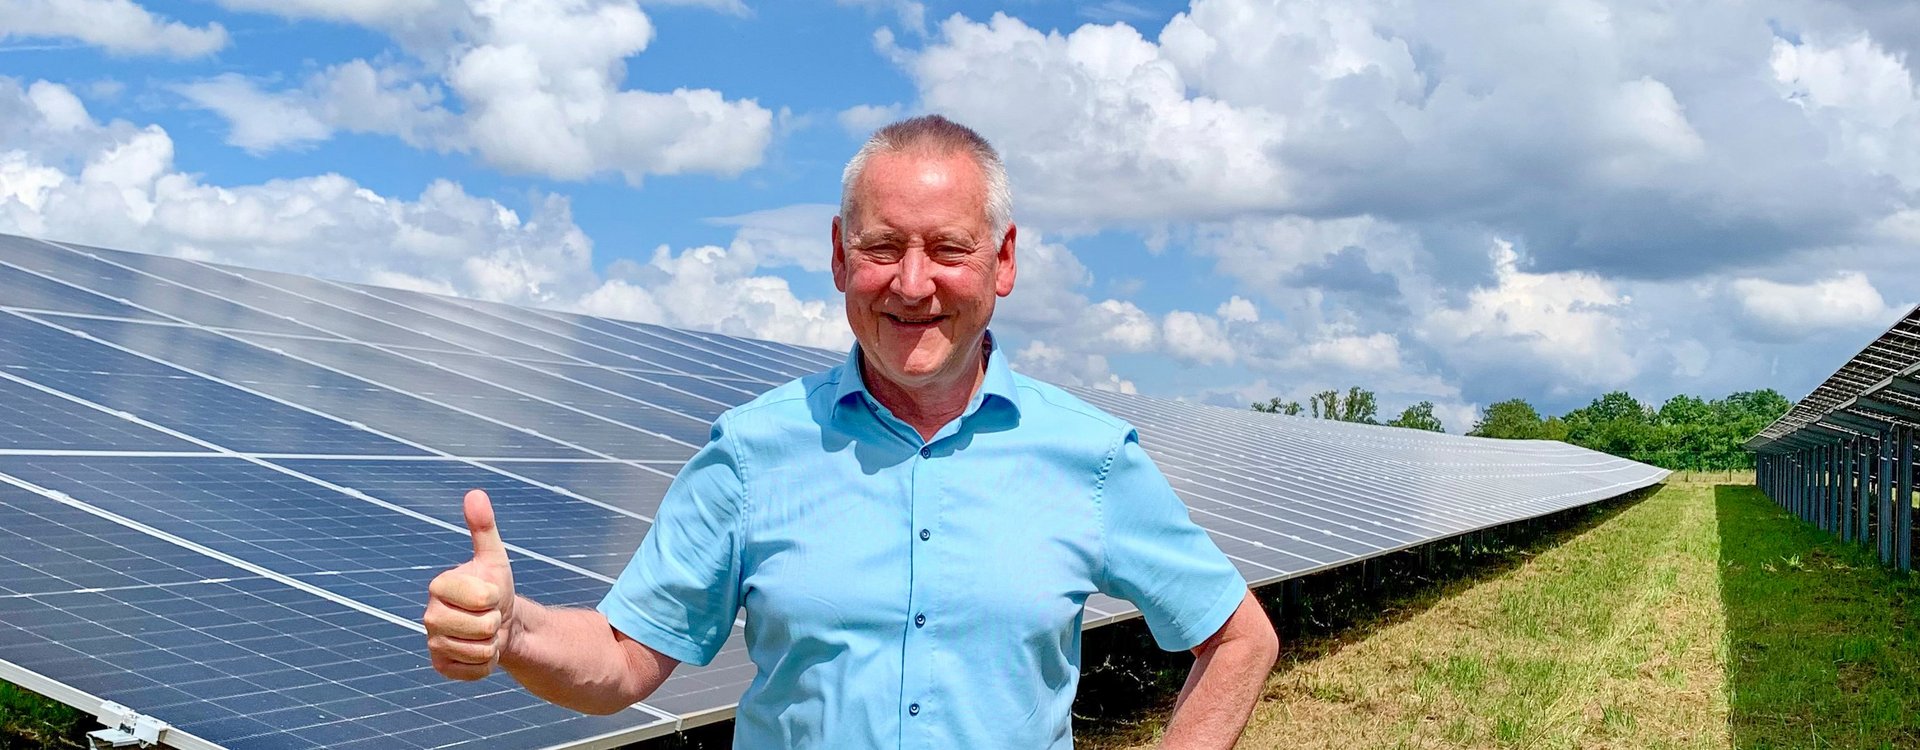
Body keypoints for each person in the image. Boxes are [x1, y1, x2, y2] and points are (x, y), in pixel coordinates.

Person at [422, 115, 1279, 748]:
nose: (912, 283)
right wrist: (515, 631)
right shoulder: (753, 452)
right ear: (838, 257)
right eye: (881, 247)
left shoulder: (1089, 457)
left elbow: (1239, 635)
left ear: (1003, 261)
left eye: (947, 247)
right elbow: (621, 662)